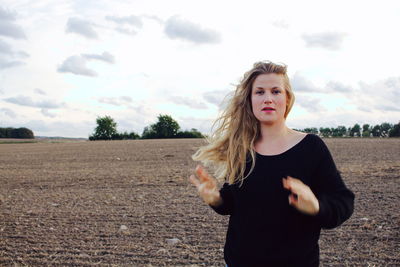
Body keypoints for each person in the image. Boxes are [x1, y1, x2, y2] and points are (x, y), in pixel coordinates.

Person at [189, 61, 355, 267]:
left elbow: (344, 202)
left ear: (287, 99)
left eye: (276, 91)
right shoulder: (242, 148)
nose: (268, 98)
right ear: (250, 100)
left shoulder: (311, 147)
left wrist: (316, 206)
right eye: (259, 92)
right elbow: (234, 204)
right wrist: (216, 199)